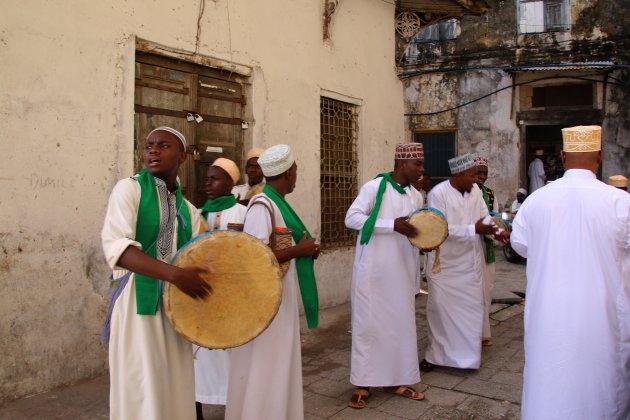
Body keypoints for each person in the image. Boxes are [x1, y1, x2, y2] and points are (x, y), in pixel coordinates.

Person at [511, 125, 630, 420]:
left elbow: (521, 246)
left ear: (563, 156)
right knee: (602, 386)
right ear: (600, 156)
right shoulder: (620, 202)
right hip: (601, 318)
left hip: (548, 317)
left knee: (548, 381)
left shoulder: (536, 201)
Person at [101, 126, 211, 420]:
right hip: (138, 307)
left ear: (182, 156)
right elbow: (119, 249)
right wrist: (175, 274)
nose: (153, 150)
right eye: (149, 145)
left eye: (164, 146)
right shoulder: (129, 189)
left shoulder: (188, 210)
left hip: (176, 311)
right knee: (143, 389)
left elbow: (203, 254)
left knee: (175, 388)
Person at [225, 144, 320, 420]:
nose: (296, 176)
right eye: (296, 171)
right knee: (266, 365)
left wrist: (305, 249)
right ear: (288, 173)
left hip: (280, 299)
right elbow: (255, 258)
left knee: (278, 364)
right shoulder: (262, 204)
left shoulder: (276, 203)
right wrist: (298, 250)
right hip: (266, 302)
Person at [345, 143, 426, 409]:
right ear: (402, 164)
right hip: (373, 272)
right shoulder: (374, 187)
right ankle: (362, 384)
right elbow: (352, 218)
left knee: (398, 326)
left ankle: (395, 378)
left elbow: (415, 231)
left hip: (402, 271)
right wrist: (392, 225)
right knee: (368, 327)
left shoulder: (416, 196)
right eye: (418, 165)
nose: (421, 170)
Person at [421, 153, 506, 372]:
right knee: (440, 312)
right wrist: (473, 229)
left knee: (470, 312)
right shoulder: (438, 194)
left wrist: (498, 231)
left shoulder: (475, 191)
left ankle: (467, 359)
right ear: (458, 174)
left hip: (470, 264)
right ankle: (436, 356)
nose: (476, 179)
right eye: (472, 175)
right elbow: (437, 228)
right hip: (445, 265)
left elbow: (485, 217)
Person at [194, 158, 246, 419]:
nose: (208, 184)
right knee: (200, 352)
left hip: (230, 292)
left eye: (215, 178)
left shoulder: (241, 212)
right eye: (207, 179)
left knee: (229, 352)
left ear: (230, 183)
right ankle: (197, 409)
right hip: (202, 292)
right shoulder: (198, 213)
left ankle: (233, 406)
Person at [474, 156, 496, 348]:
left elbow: (495, 218)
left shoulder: (490, 194)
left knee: (487, 290)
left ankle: (484, 333)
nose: (482, 176)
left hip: (486, 245)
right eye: (479, 172)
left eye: (485, 173)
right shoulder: (465, 192)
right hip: (470, 245)